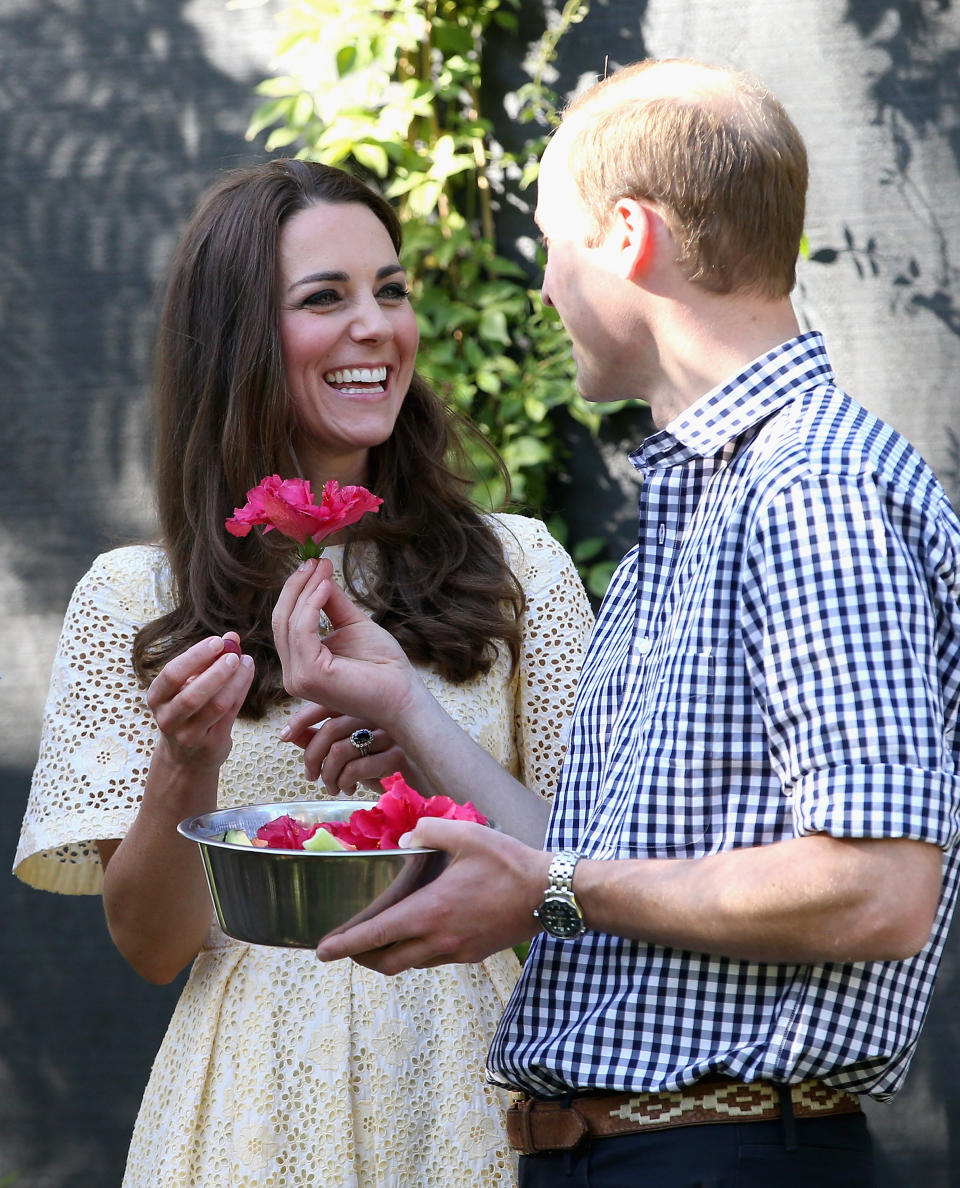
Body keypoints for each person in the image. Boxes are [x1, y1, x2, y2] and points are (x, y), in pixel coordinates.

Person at [270, 59, 960, 1187]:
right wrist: (405, 704)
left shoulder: (814, 493)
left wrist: (546, 892)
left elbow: (878, 886)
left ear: (630, 236)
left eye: (553, 243)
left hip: (731, 1159)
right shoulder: (705, 507)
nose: (541, 288)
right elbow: (604, 864)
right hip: (640, 1156)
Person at [13, 158, 594, 1187]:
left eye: (392, 290)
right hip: (248, 1107)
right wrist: (185, 765)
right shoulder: (133, 596)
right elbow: (154, 948)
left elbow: (591, 878)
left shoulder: (518, 568)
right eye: (326, 299)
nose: (377, 327)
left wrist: (419, 737)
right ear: (236, 339)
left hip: (475, 1082)